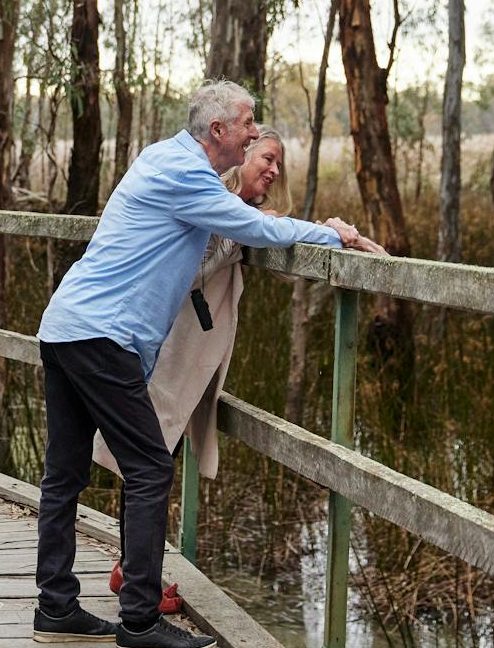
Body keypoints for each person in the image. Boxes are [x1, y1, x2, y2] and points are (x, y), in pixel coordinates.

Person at [31, 81, 382, 648]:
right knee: (148, 469)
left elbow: (230, 223)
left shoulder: (162, 158)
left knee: (65, 473)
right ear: (217, 131)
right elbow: (255, 228)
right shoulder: (185, 173)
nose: (253, 130)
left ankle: (56, 606)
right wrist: (330, 233)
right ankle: (140, 621)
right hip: (102, 336)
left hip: (67, 326)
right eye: (248, 123)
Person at [93, 132, 387, 615]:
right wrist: (326, 230)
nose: (274, 170)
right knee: (149, 456)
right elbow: (224, 244)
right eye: (267, 158)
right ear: (240, 156)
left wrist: (329, 228)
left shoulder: (239, 213)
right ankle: (134, 575)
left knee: (151, 455)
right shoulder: (211, 204)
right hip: (162, 342)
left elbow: (270, 231)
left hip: (177, 347)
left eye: (278, 164)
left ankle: (135, 567)